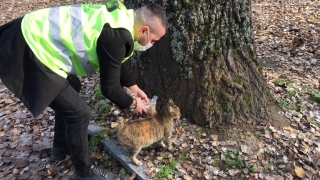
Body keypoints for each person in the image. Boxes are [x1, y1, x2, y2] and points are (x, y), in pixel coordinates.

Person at [0, 0, 168, 179]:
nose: (151, 44)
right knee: (79, 114)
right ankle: (84, 171)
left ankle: (61, 147)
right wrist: (133, 104)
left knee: (73, 87)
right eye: (153, 40)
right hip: (30, 46)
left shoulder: (122, 17)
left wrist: (134, 88)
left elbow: (114, 60)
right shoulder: (117, 36)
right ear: (144, 30)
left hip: (31, 32)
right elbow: (110, 89)